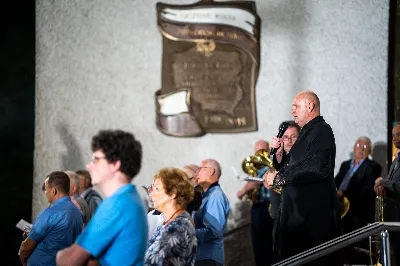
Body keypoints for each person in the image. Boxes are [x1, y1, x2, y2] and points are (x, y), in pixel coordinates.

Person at [265, 91, 340, 265]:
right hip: (298, 217)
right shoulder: (307, 132)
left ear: (310, 106)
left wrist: (278, 179)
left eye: (296, 106)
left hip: (312, 221)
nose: (292, 111)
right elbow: (294, 167)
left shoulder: (321, 130)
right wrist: (279, 155)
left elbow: (316, 168)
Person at [56, 129, 148, 266]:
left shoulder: (116, 205)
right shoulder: (131, 198)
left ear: (115, 164)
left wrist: (60, 254)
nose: (89, 165)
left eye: (96, 159)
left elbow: (67, 261)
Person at [19, 171, 83, 266]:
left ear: (54, 191)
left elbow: (27, 246)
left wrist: (23, 260)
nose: (45, 192)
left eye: (46, 189)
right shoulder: (78, 212)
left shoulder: (50, 213)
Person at [335, 136, 381, 263]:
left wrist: (342, 193)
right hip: (341, 208)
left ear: (370, 151)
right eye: (359, 145)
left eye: (365, 147)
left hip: (358, 212)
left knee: (360, 248)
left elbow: (365, 189)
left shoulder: (373, 166)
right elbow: (336, 181)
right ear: (354, 147)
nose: (361, 149)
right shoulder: (345, 165)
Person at [145, 168, 197, 265]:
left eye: (157, 189)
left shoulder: (178, 228)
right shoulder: (171, 221)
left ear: (172, 193)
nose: (152, 194)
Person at [237, 140, 273, 266]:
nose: (259, 155)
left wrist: (243, 190)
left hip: (267, 207)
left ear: (268, 151)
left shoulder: (270, 165)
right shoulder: (257, 167)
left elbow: (256, 181)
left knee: (266, 243)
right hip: (258, 206)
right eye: (257, 152)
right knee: (258, 243)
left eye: (262, 151)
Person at [266, 120, 300, 257]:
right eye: (286, 137)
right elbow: (276, 170)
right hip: (280, 220)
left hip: (298, 223)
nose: (290, 141)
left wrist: (277, 179)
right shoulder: (281, 158)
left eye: (294, 137)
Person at [194, 159, 230, 266]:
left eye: (200, 169)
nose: (197, 173)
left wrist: (189, 233)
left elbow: (214, 231)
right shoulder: (207, 194)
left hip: (208, 259)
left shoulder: (215, 196)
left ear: (211, 171)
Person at [374, 122, 400, 264]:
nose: (395, 139)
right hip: (392, 218)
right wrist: (381, 187)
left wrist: (383, 182)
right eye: (393, 135)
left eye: (399, 134)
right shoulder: (395, 161)